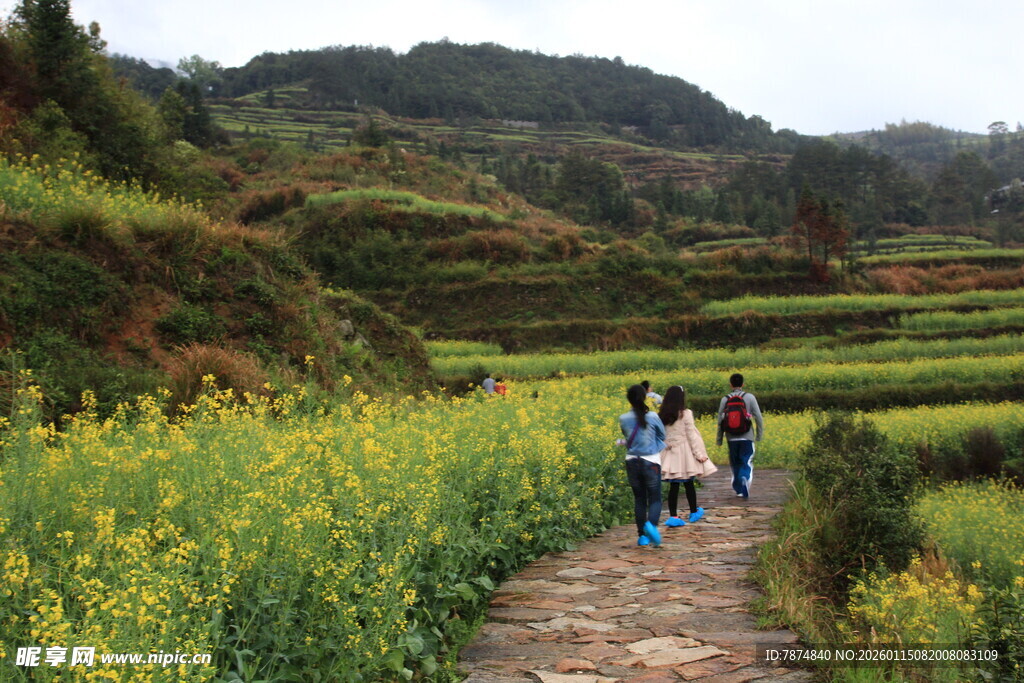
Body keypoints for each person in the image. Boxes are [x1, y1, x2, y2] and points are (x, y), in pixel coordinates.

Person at [659, 386, 718, 526]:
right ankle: (693, 512)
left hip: (670, 451)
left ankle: (673, 516)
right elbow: (692, 435)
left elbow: (660, 435)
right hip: (684, 452)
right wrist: (699, 455)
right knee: (689, 483)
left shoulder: (661, 415)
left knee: (674, 485)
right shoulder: (686, 413)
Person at [618, 384, 666, 547]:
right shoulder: (652, 416)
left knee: (639, 499)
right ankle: (650, 526)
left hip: (632, 460)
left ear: (629, 399)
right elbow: (662, 435)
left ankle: (642, 537)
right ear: (645, 397)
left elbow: (628, 438)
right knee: (655, 498)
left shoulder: (623, 418)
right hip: (651, 460)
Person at [716, 373, 764, 499]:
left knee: (735, 462)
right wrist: (759, 435)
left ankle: (738, 490)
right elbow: (758, 417)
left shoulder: (725, 399)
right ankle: (745, 478)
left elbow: (720, 420)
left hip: (731, 437)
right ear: (743, 384)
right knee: (746, 460)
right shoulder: (750, 397)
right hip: (747, 436)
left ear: (730, 384)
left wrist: (719, 439)